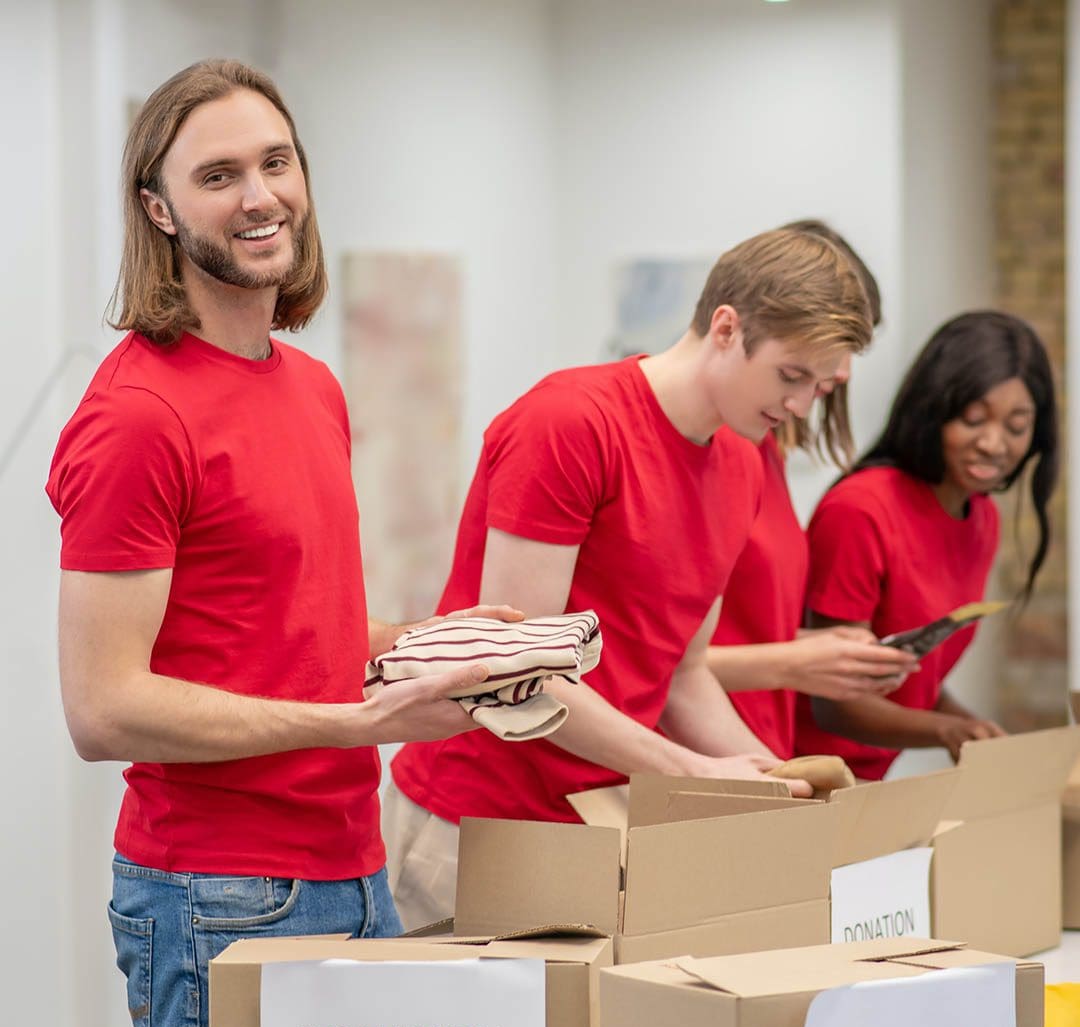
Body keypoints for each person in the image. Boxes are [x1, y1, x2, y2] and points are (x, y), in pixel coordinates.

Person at [46, 60, 517, 1027]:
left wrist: (449, 647)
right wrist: (363, 724)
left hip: (354, 866)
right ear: (158, 211)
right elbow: (103, 707)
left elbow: (289, 637)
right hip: (216, 892)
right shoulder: (137, 418)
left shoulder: (312, 388)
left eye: (276, 162)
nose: (260, 195)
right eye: (218, 176)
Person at [385, 228, 875, 930]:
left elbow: (683, 673)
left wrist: (768, 776)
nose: (801, 406)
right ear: (727, 328)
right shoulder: (570, 424)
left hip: (601, 824)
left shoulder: (739, 466)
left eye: (820, 387)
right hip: (469, 823)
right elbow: (517, 672)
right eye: (791, 376)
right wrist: (690, 772)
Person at [794, 310, 1059, 777]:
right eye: (974, 419)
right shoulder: (861, 509)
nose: (994, 444)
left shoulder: (981, 517)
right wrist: (943, 731)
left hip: (870, 781)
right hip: (801, 775)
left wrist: (967, 724)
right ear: (933, 410)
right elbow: (832, 698)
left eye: (1017, 427)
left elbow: (910, 669)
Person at [706, 221, 918, 758]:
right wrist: (796, 662)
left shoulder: (760, 452)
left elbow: (722, 638)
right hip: (699, 760)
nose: (842, 373)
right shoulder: (716, 448)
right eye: (815, 360)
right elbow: (651, 665)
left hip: (751, 747)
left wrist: (818, 652)